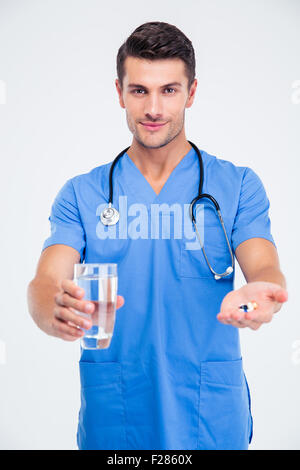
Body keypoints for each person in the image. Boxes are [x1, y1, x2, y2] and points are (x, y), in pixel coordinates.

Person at [27, 21, 288, 450]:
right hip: (117, 409)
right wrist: (50, 310)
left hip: (209, 411)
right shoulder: (83, 193)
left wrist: (260, 294)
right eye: (139, 90)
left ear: (192, 92)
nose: (153, 108)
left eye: (169, 90)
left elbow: (265, 269)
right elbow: (45, 283)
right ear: (119, 92)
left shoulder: (237, 185)